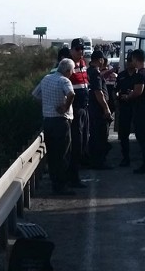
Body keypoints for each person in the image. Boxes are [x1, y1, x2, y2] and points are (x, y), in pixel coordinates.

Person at [32, 58, 76, 195]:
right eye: (72, 71)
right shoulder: (64, 81)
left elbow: (35, 94)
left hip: (48, 121)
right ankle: (61, 186)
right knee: (62, 154)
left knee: (52, 155)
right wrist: (65, 107)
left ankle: (54, 183)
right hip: (61, 122)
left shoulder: (46, 78)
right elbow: (71, 94)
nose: (72, 73)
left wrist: (46, 105)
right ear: (67, 71)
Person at [119, 49, 145, 174]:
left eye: (132, 59)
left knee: (143, 137)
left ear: (136, 59)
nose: (131, 62)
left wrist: (128, 96)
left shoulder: (140, 74)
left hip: (142, 108)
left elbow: (138, 91)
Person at [69, 37, 91, 187]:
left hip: (84, 108)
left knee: (83, 143)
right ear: (71, 50)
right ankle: (73, 177)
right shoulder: (68, 64)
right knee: (75, 145)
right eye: (77, 49)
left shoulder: (83, 63)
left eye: (82, 49)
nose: (80, 51)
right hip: (75, 110)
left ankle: (76, 173)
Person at [87, 50, 113, 169]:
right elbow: (98, 92)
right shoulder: (96, 74)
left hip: (92, 108)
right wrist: (106, 109)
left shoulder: (89, 71)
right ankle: (99, 162)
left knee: (95, 135)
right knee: (101, 136)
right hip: (98, 110)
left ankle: (94, 160)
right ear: (100, 60)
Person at [115, 53, 136, 167]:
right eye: (127, 60)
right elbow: (116, 89)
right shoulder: (122, 75)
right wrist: (118, 95)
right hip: (124, 107)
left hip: (136, 107)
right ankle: (125, 157)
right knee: (124, 134)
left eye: (131, 60)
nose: (128, 63)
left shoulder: (139, 75)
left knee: (141, 133)